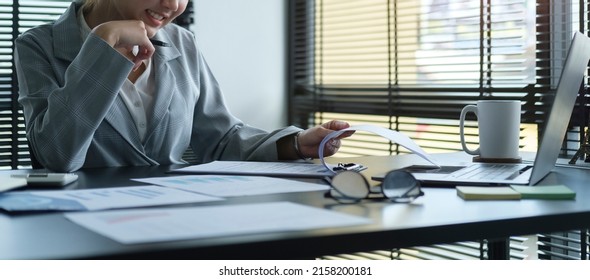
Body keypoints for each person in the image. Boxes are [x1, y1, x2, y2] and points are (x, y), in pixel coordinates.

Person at [14, 0, 352, 172]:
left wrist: (294, 143)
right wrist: (103, 47)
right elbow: (56, 157)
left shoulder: (181, 42)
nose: (172, 5)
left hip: (171, 221)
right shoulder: (38, 45)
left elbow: (220, 139)